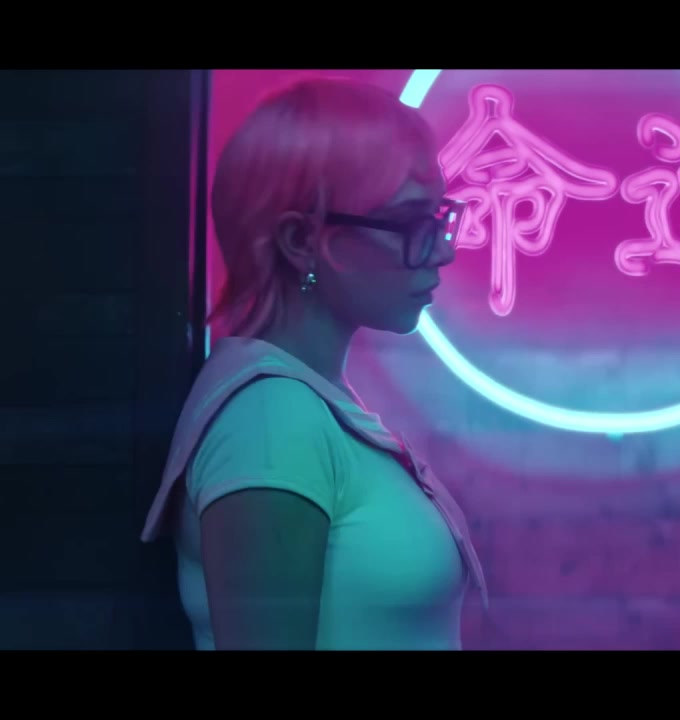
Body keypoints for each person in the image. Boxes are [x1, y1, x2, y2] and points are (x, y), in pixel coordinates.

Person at [140, 77, 487, 650]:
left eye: (439, 218)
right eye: (409, 223)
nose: (444, 250)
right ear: (301, 239)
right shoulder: (270, 420)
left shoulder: (302, 403)